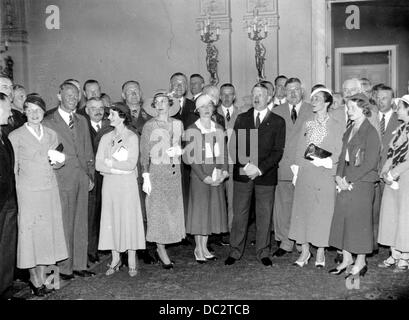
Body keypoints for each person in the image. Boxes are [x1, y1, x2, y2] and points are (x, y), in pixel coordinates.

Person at [9, 95, 68, 296]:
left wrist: (59, 160)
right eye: (30, 109)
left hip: (49, 190)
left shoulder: (52, 134)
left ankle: (50, 280)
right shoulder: (15, 136)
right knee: (32, 238)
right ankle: (35, 280)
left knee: (49, 236)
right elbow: (13, 169)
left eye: (38, 110)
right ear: (24, 111)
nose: (34, 114)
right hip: (28, 193)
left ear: (44, 112)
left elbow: (57, 163)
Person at [225, 83, 285, 266]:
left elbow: (277, 151)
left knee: (264, 214)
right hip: (243, 174)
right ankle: (235, 251)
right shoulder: (242, 118)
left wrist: (259, 169)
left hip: (265, 176)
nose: (256, 97)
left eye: (261, 94)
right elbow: (233, 146)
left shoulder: (277, 121)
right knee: (240, 215)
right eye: (254, 94)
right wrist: (247, 166)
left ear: (269, 98)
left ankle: (263, 251)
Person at [43, 81, 95, 280]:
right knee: (64, 223)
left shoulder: (82, 120)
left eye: (76, 96)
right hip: (62, 178)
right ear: (59, 96)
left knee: (81, 221)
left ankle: (79, 264)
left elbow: (88, 148)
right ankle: (64, 268)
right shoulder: (49, 121)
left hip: (82, 177)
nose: (73, 99)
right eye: (69, 95)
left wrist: (90, 174)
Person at [288, 88, 344, 267]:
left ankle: (320, 252)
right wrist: (296, 172)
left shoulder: (336, 124)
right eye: (312, 98)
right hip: (306, 174)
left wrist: (328, 162)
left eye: (317, 99)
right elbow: (299, 149)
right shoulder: (307, 123)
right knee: (302, 213)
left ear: (327, 102)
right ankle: (305, 252)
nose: (313, 101)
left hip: (325, 175)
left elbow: (340, 151)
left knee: (322, 215)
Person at [328, 93, 381, 278]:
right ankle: (347, 259)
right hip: (346, 179)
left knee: (359, 223)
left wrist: (349, 180)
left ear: (363, 108)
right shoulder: (350, 128)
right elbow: (343, 156)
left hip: (362, 182)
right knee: (344, 221)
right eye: (347, 108)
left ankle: (361, 262)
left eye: (352, 108)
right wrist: (338, 177)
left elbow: (370, 163)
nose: (348, 111)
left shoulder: (371, 131)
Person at [96, 102, 146, 277]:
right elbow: (98, 164)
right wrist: (117, 168)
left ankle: (132, 259)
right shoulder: (105, 137)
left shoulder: (132, 137)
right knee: (112, 220)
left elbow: (131, 163)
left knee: (128, 220)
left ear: (122, 117)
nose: (109, 117)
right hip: (110, 186)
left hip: (127, 186)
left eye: (112, 114)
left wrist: (110, 165)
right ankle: (115, 258)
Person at [140, 91, 185, 269]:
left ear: (169, 104)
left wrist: (180, 150)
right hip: (157, 173)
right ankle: (161, 250)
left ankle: (166, 244)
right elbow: (144, 153)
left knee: (172, 211)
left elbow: (183, 144)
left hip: (174, 174)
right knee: (157, 212)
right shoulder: (149, 126)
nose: (160, 104)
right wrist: (145, 175)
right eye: (157, 102)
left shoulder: (178, 124)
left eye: (163, 101)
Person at [272, 78, 313, 258]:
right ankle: (285, 242)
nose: (293, 93)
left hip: (305, 166)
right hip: (282, 165)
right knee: (283, 206)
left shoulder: (312, 109)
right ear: (284, 92)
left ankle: (302, 242)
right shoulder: (276, 111)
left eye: (296, 89)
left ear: (302, 91)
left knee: (304, 206)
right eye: (289, 90)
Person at [185, 94, 229, 262]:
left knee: (210, 212)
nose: (206, 110)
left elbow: (224, 153)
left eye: (209, 106)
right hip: (200, 177)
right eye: (202, 107)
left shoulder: (218, 127)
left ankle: (204, 246)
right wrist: (204, 177)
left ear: (213, 108)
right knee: (200, 213)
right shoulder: (192, 130)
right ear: (197, 110)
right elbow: (191, 159)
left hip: (216, 175)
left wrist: (224, 172)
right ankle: (199, 248)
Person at [121, 80, 155, 264]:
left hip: (145, 168)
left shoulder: (149, 115)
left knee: (146, 209)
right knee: (128, 209)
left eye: (136, 91)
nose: (133, 94)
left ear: (141, 94)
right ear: (123, 96)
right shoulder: (117, 115)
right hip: (126, 170)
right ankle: (127, 250)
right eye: (129, 91)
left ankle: (145, 247)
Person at [378, 95, 409, 271]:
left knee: (405, 216)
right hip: (393, 178)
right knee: (391, 215)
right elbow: (391, 153)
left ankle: (405, 255)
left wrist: (394, 173)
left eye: (400, 107)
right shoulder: (400, 129)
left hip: (406, 178)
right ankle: (395, 253)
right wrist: (385, 172)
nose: (397, 109)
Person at [372, 85, 400, 253]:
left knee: (392, 210)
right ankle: (373, 245)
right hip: (372, 171)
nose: (380, 101)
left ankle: (394, 247)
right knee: (373, 209)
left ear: (392, 100)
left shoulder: (400, 119)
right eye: (378, 98)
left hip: (391, 173)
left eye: (384, 98)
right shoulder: (370, 117)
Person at [84, 97, 112, 264]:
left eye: (101, 107)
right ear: (86, 110)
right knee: (92, 213)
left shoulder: (110, 126)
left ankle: (106, 245)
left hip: (109, 175)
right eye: (93, 107)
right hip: (92, 175)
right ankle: (91, 250)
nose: (98, 110)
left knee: (106, 211)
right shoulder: (82, 126)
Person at [0, 92, 18, 299]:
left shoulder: (5, 135)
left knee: (6, 247)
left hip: (10, 200)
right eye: (6, 108)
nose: (10, 112)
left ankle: (5, 290)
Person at [217, 83, 241, 233]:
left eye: (230, 94)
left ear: (234, 96)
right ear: (219, 97)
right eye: (224, 94)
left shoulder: (242, 114)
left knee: (233, 201)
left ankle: (231, 231)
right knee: (217, 201)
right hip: (216, 164)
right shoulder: (212, 113)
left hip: (234, 164)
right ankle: (218, 231)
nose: (226, 97)